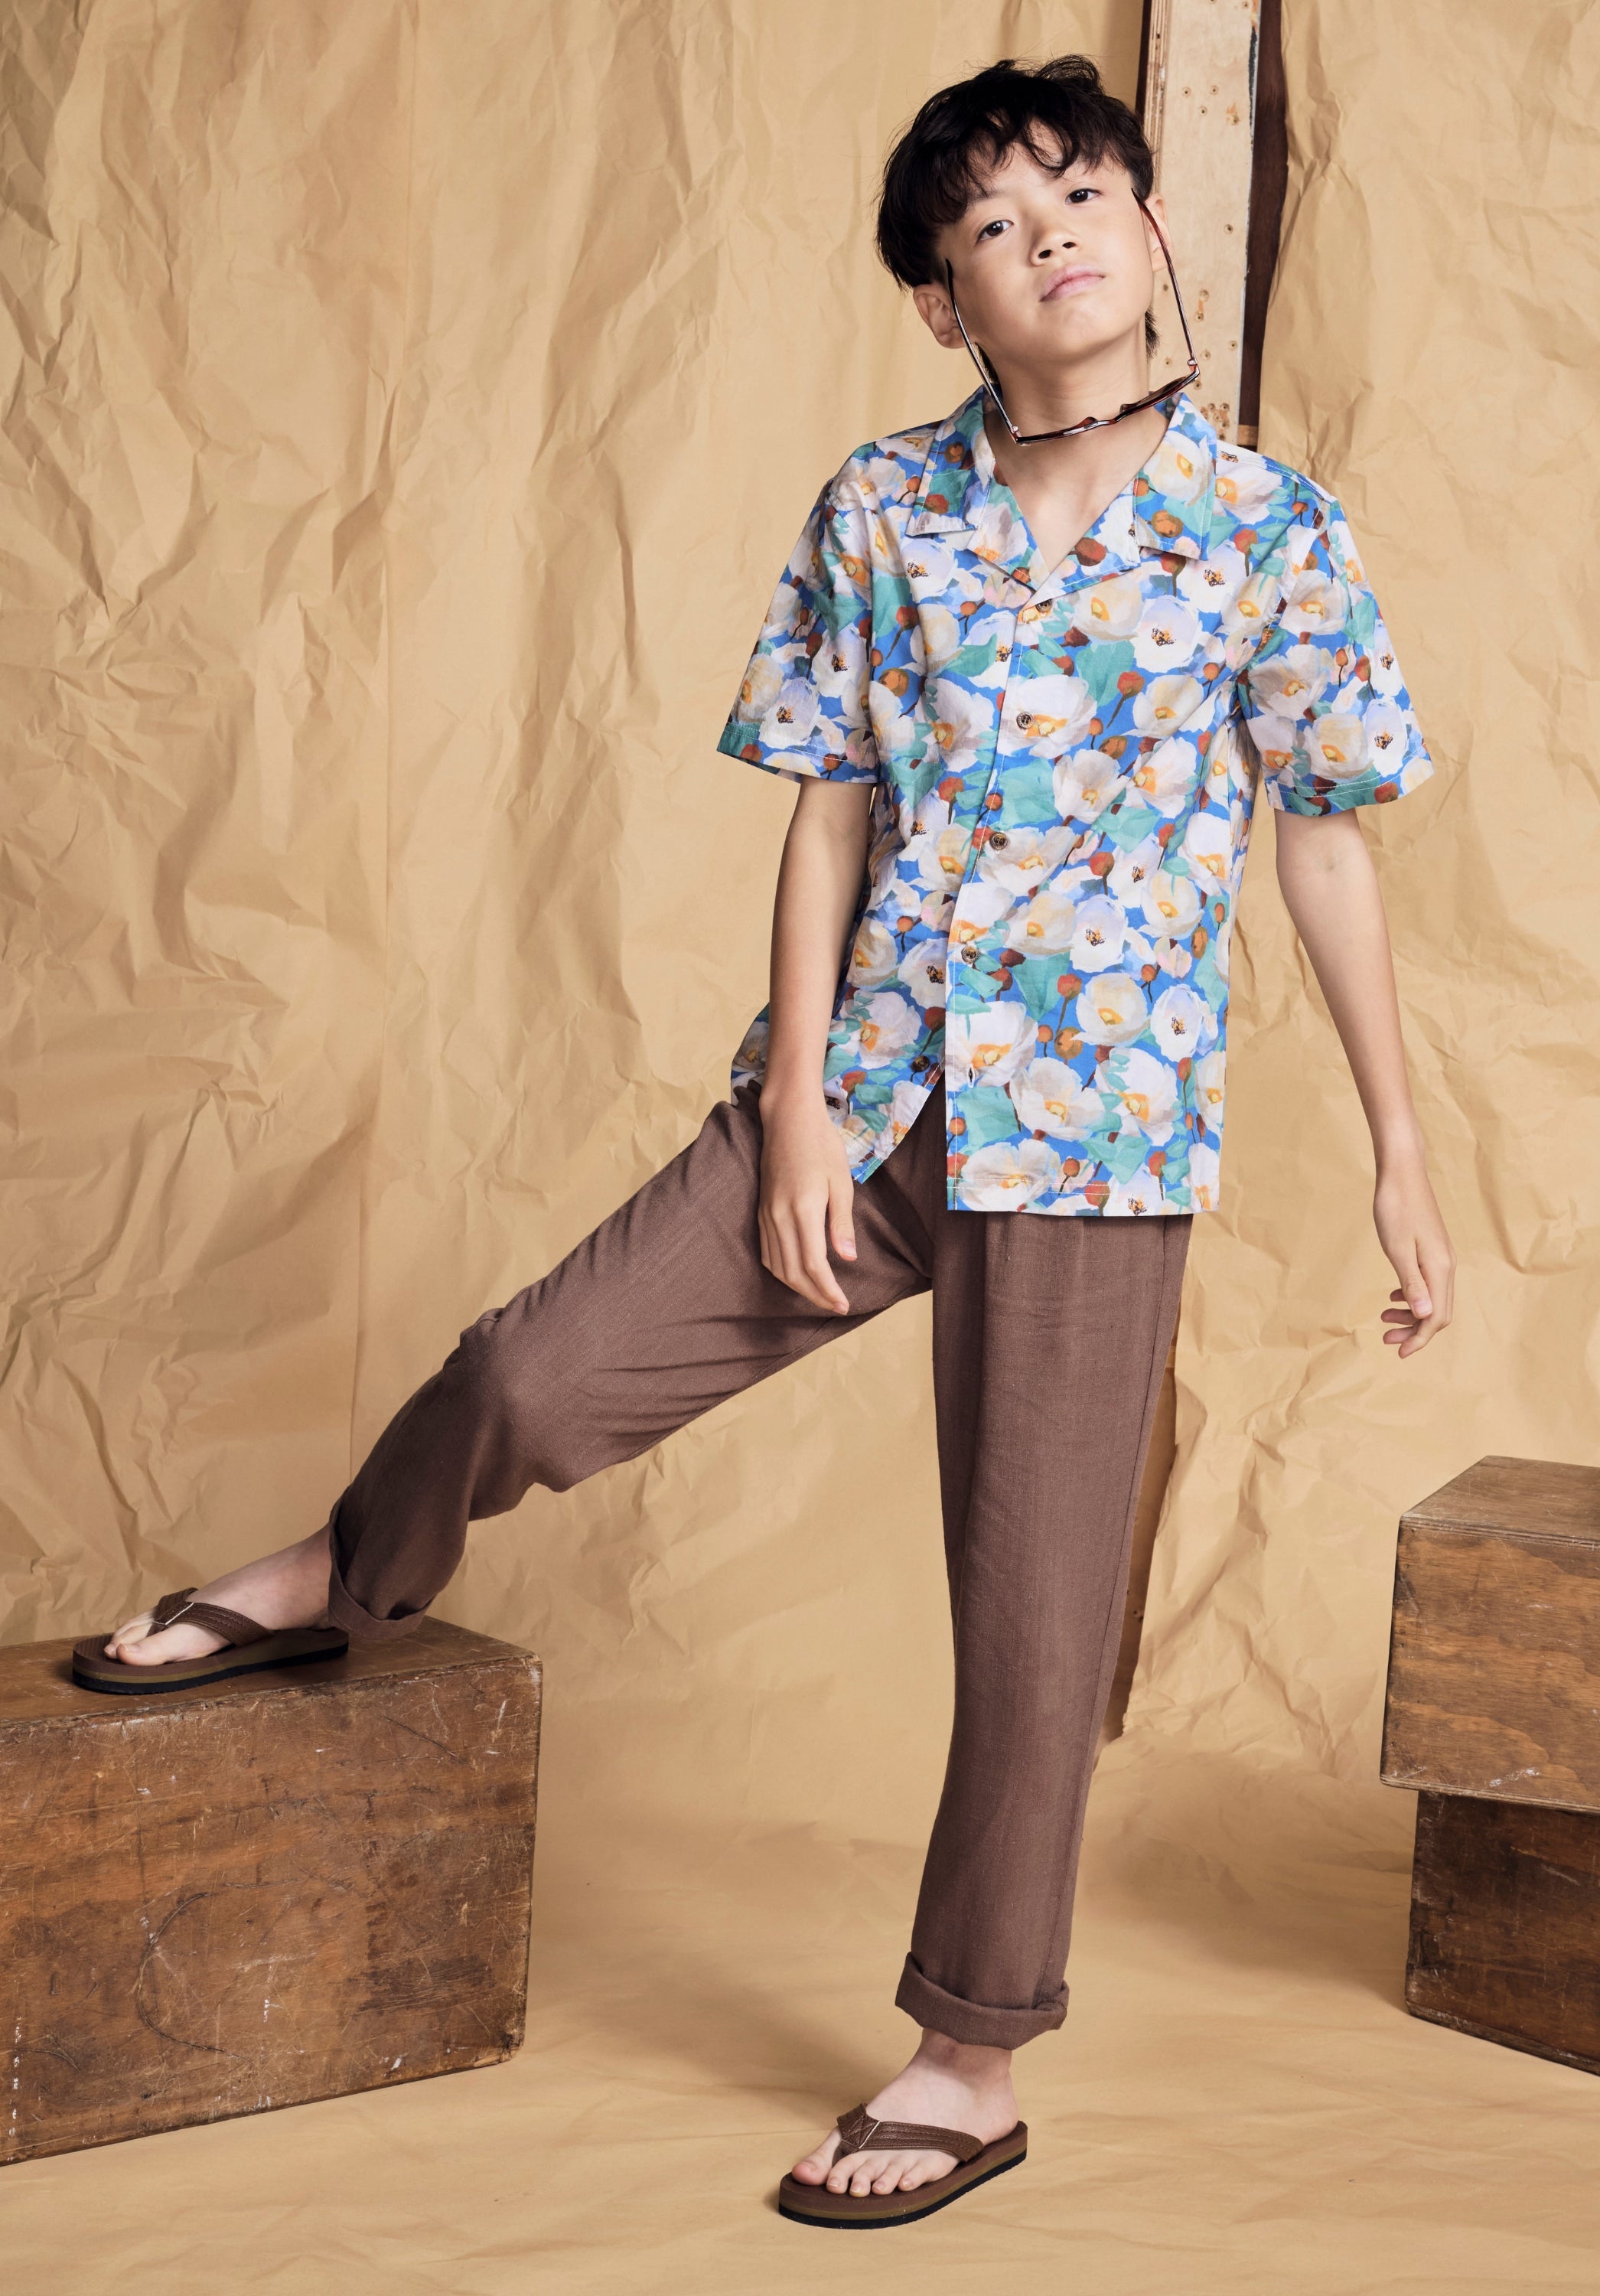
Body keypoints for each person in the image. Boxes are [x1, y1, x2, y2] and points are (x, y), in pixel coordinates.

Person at [73, 56, 1454, 2228]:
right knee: (535, 1365)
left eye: (1086, 192)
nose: (1058, 236)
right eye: (997, 225)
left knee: (1030, 1609)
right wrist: (799, 1101)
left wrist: (1399, 1147)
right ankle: (352, 1567)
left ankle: (973, 2057)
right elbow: (829, 815)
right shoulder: (880, 509)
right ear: (942, 302)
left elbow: (1332, 851)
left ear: (1152, 227)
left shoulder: (1273, 530)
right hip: (872, 1088)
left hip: (1095, 1146)